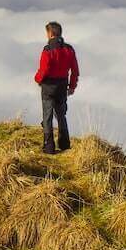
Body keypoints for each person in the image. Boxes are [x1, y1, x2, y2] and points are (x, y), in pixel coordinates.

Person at [34, 21, 79, 154]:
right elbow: (75, 70)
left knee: (47, 115)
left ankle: (49, 147)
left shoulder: (48, 50)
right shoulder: (69, 49)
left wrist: (37, 79)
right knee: (61, 114)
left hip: (48, 86)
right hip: (62, 86)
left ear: (50, 33)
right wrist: (72, 86)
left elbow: (44, 69)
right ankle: (64, 143)